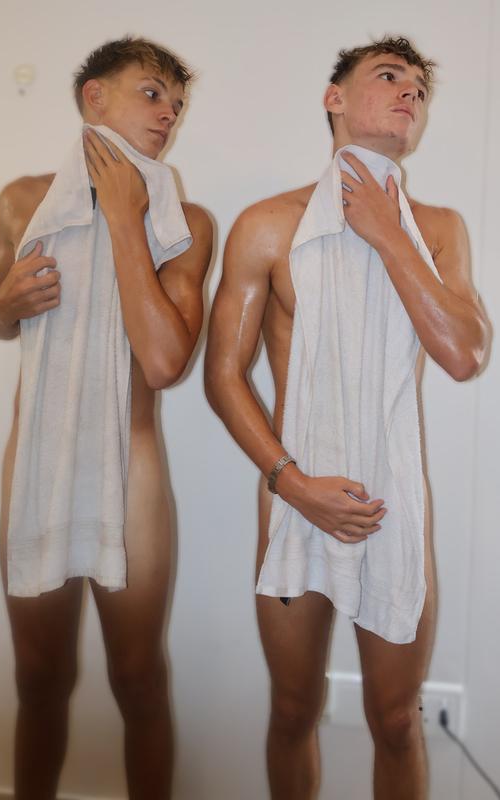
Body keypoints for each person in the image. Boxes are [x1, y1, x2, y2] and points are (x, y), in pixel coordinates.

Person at [205, 36, 488, 800]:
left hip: (392, 506)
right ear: (334, 98)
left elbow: (464, 354)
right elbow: (223, 376)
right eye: (389, 76)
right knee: (293, 709)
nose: (410, 92)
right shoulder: (269, 224)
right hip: (294, 496)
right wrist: (293, 485)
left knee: (395, 719)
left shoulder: (438, 229)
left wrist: (388, 233)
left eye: (420, 85)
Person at [0, 36, 212, 800]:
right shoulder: (21, 201)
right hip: (36, 462)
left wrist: (123, 218)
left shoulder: (186, 220)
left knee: (139, 678)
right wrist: (2, 305)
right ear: (94, 97)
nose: (169, 113)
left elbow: (165, 362)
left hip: (130, 467)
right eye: (153, 93)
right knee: (38, 677)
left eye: (178, 104)